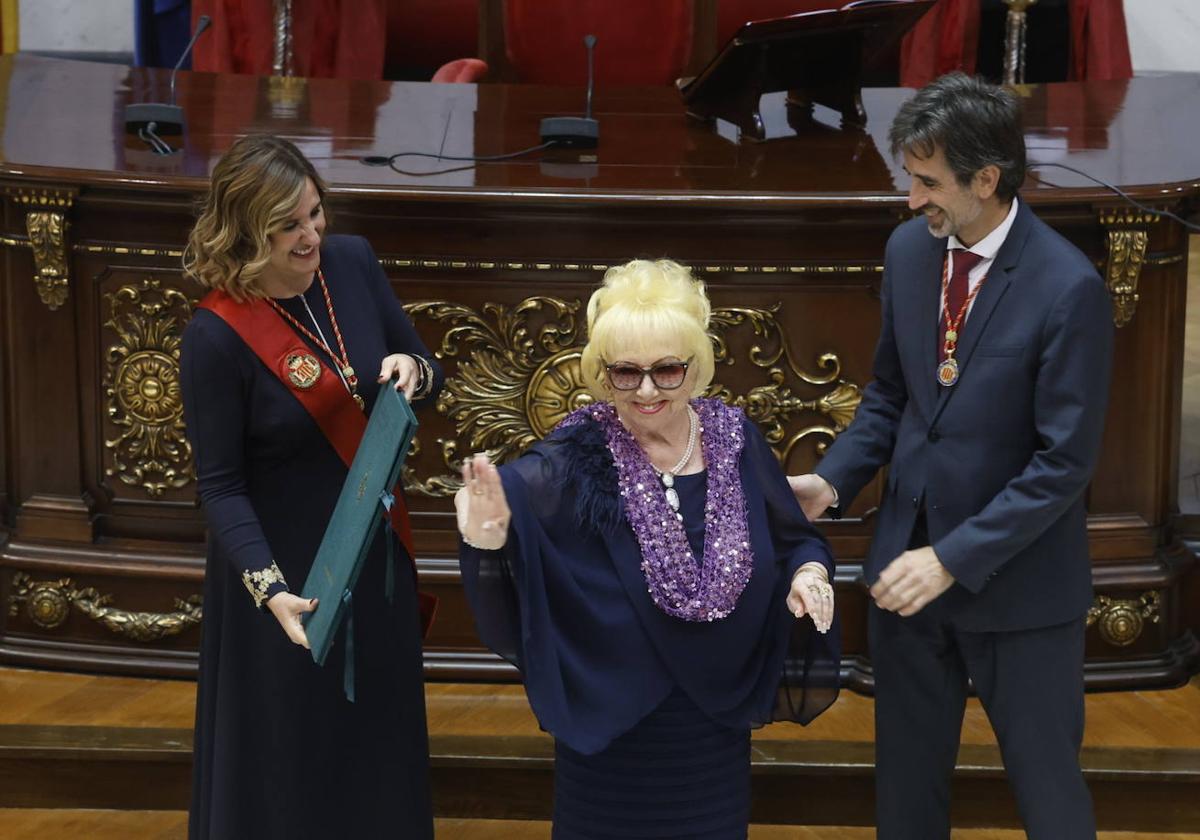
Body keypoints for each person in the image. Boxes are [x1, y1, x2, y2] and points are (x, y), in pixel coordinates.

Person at [790, 73, 1113, 840]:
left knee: (1049, 798)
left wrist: (952, 558)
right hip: (908, 580)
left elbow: (1063, 465)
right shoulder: (909, 252)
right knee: (905, 800)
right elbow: (891, 398)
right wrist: (831, 484)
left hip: (1019, 591)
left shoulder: (1069, 290)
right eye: (911, 176)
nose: (912, 200)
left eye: (929, 181)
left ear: (987, 179)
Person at [456, 259, 840, 840]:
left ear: (696, 366)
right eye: (625, 373)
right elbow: (513, 500)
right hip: (616, 721)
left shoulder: (735, 439)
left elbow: (794, 537)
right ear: (601, 374)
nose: (646, 390)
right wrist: (487, 532)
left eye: (667, 370)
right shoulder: (575, 454)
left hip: (712, 719)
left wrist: (809, 572)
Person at [180, 134, 442, 839]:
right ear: (244, 233)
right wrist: (270, 590)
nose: (312, 235)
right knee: (289, 757)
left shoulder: (351, 264)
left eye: (315, 213)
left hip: (373, 555)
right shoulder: (214, 337)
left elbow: (425, 363)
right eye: (289, 225)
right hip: (287, 576)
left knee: (374, 747)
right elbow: (221, 485)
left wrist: (413, 372)